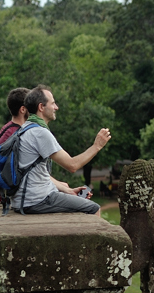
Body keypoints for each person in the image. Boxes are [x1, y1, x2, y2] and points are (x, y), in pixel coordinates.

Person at [12, 84, 111, 215]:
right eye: (53, 103)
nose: (56, 107)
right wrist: (97, 146)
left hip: (23, 200)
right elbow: (72, 165)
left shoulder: (25, 129)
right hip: (36, 200)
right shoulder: (40, 133)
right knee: (94, 208)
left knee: (77, 201)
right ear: (41, 107)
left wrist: (68, 191)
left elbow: (35, 173)